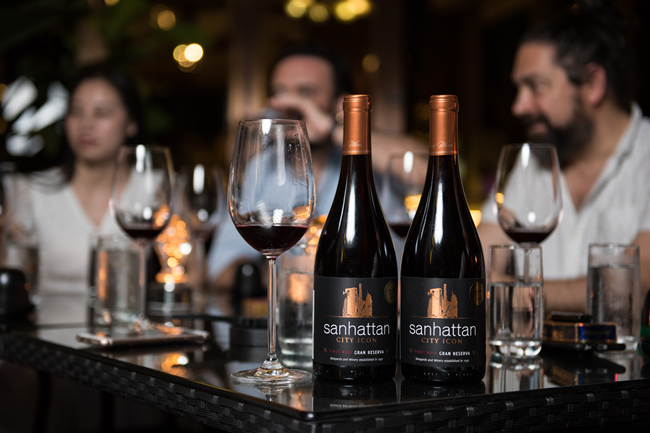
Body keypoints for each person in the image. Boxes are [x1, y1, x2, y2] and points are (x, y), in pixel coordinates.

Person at [205, 45, 425, 315]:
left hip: (376, 318)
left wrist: (332, 128)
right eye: (279, 92)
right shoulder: (261, 166)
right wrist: (287, 273)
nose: (289, 104)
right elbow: (220, 268)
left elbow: (431, 172)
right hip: (295, 322)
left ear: (339, 103)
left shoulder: (373, 155)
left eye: (305, 93)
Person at [478, 1, 650, 313]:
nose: (519, 106)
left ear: (592, 84)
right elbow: (478, 259)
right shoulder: (534, 161)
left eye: (536, 86)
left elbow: (635, 283)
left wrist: (519, 293)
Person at [8, 64, 144, 324]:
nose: (86, 124)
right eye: (76, 112)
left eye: (102, 113)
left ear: (131, 123)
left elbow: (190, 275)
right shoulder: (28, 190)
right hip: (44, 338)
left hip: (127, 337)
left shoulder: (154, 189)